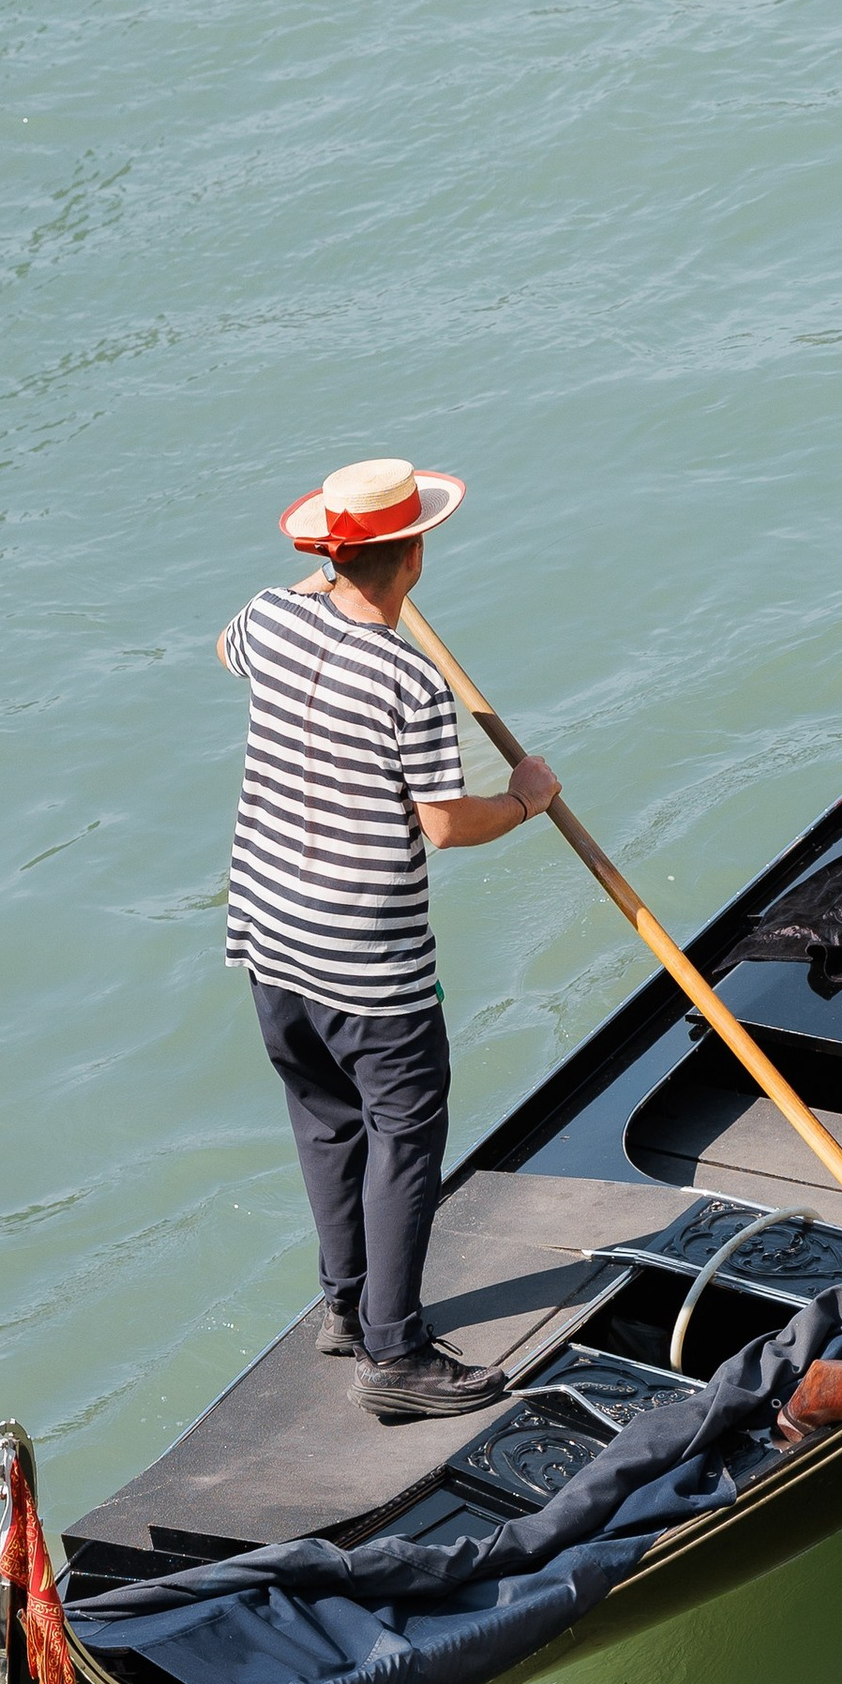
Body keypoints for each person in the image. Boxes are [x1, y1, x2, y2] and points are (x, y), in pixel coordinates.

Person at [216, 457, 560, 1423]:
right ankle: (396, 1351)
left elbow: (227, 642)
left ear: (328, 551)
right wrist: (527, 798)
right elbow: (447, 825)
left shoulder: (270, 619)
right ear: (413, 557)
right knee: (404, 1136)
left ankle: (345, 1304)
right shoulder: (412, 680)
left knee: (326, 1120)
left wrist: (323, 571)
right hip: (369, 960)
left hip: (269, 933)